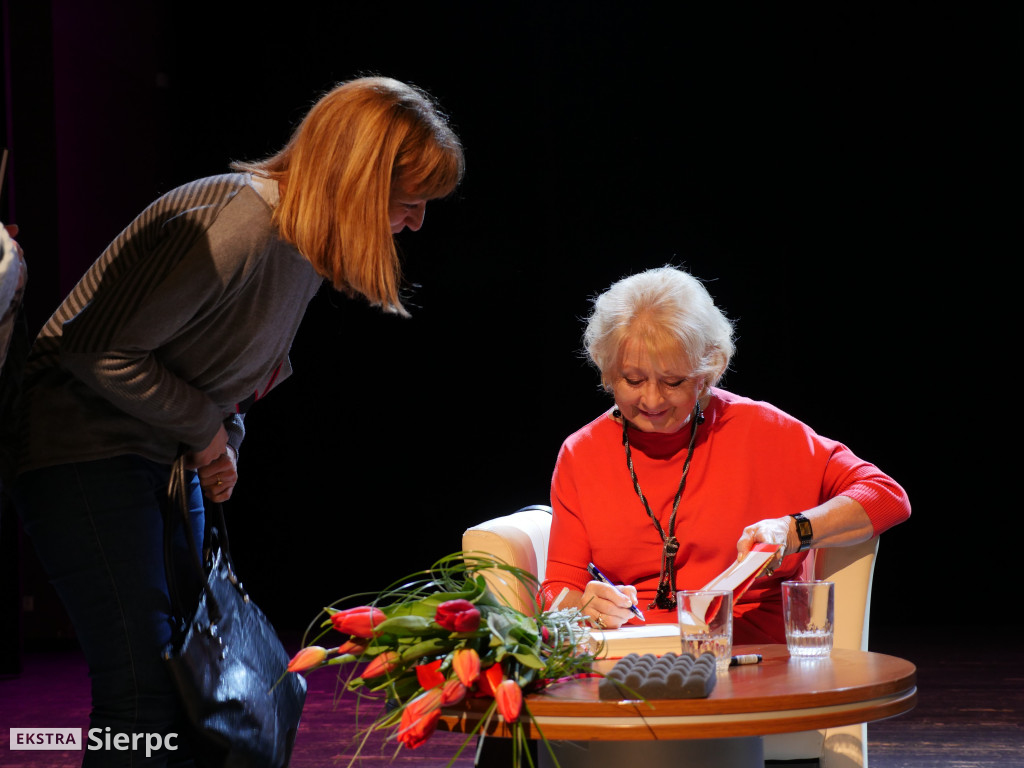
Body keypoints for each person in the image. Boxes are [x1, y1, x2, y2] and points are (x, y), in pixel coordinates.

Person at [14, 76, 464, 766]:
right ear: (357, 179)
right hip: (85, 451)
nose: (417, 222)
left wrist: (221, 436)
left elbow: (224, 376)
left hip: (160, 454)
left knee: (189, 688)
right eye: (409, 201)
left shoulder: (300, 246)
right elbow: (98, 350)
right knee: (141, 692)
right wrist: (206, 433)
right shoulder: (240, 223)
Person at [540, 265, 910, 643]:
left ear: (710, 368)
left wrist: (792, 531)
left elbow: (886, 495)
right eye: (632, 380)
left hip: (749, 651)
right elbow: (557, 589)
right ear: (606, 370)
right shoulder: (581, 453)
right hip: (636, 654)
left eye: (673, 381)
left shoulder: (763, 431)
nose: (651, 400)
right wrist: (586, 604)